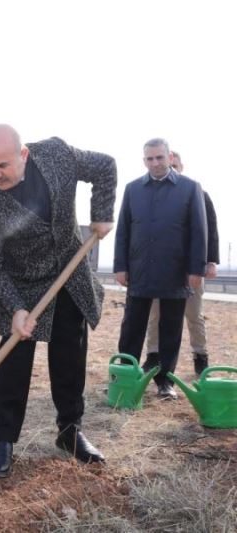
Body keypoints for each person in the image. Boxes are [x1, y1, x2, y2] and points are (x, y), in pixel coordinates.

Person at [0, 124, 115, 478]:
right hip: (21, 282)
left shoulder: (57, 155)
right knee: (13, 359)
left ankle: (70, 431)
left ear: (24, 155)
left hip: (69, 272)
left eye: (2, 165)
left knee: (70, 355)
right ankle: (4, 441)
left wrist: (102, 212)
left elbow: (104, 165)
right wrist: (16, 307)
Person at [115, 139, 207, 399]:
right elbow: (124, 230)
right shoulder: (133, 189)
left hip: (175, 271)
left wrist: (196, 269)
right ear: (144, 161)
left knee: (170, 328)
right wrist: (121, 266)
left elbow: (199, 232)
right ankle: (126, 375)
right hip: (139, 271)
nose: (155, 163)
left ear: (169, 157)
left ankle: (165, 381)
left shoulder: (190, 189)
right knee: (132, 326)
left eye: (159, 158)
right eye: (150, 159)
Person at [143, 150, 219, 376]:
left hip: (190, 269)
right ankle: (153, 357)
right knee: (154, 314)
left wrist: (211, 261)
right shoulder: (148, 195)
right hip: (159, 269)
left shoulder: (198, 193)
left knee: (194, 315)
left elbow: (210, 229)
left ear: (179, 168)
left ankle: (200, 357)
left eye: (174, 166)